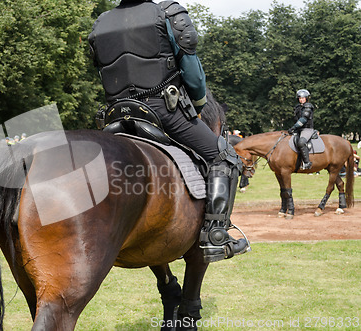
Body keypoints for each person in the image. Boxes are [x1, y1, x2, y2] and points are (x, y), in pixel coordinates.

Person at [89, 0, 249, 262]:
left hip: (115, 114)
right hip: (162, 111)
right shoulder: (169, 13)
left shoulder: (101, 22)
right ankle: (215, 236)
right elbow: (193, 75)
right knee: (225, 158)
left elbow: (102, 73)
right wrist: (197, 103)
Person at [288, 89, 315, 169]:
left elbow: (303, 119)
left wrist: (293, 127)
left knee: (301, 142)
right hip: (298, 129)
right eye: (300, 98)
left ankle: (307, 163)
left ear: (306, 98)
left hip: (307, 129)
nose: (301, 99)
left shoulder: (308, 106)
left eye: (303, 98)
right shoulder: (297, 107)